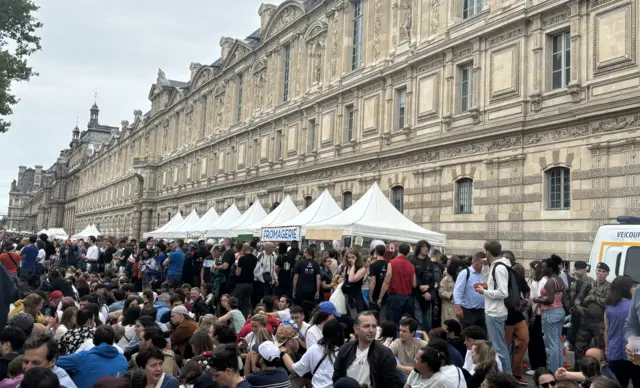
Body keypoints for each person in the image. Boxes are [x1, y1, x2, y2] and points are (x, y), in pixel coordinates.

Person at [333, 311, 400, 388]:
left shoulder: (385, 354)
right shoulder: (344, 350)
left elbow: (391, 384)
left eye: (374, 326)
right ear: (356, 329)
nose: (371, 330)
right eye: (366, 326)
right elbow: (337, 379)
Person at [474, 240, 511, 373]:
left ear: (488, 252)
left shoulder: (499, 268)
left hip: (496, 312)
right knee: (497, 348)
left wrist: (483, 292)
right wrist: (485, 266)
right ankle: (501, 376)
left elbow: (503, 292)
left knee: (500, 349)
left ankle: (507, 378)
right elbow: (487, 282)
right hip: (493, 311)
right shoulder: (496, 266)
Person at [56, 325, 128, 388]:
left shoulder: (83, 357)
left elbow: (54, 361)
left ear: (93, 341)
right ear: (113, 341)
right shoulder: (123, 360)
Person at [281, 319, 344, 388]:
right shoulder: (344, 352)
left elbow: (294, 370)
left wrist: (283, 353)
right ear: (339, 334)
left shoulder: (314, 349)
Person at [604, 275, 639, 387]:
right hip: (635, 350)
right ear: (627, 289)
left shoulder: (609, 307)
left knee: (617, 384)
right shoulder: (633, 306)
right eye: (632, 286)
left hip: (614, 351)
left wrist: (606, 348)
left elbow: (606, 330)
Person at [575, 262, 611, 364]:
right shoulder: (588, 284)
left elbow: (607, 302)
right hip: (586, 320)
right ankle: (579, 370)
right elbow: (578, 298)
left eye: (603, 272)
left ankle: (600, 372)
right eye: (599, 271)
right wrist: (578, 307)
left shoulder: (609, 287)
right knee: (579, 346)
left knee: (600, 348)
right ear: (595, 271)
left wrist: (592, 297)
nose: (600, 274)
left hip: (599, 323)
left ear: (607, 274)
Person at [378, 243, 416, 326]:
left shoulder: (392, 263)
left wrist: (380, 298)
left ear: (398, 250)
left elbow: (386, 281)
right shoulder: (411, 266)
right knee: (405, 323)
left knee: (393, 322)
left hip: (394, 297)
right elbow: (414, 284)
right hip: (407, 297)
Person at [342, 248, 368, 316]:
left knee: (357, 314)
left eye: (353, 257)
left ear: (357, 257)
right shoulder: (346, 268)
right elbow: (345, 280)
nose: (350, 259)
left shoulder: (362, 268)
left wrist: (353, 266)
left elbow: (351, 279)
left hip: (356, 296)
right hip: (347, 295)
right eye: (349, 257)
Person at [234, 244, 258, 318]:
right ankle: (244, 318)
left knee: (235, 302)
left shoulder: (242, 259)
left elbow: (238, 273)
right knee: (245, 304)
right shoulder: (255, 259)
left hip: (241, 283)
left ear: (243, 249)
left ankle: (236, 317)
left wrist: (235, 267)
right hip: (251, 283)